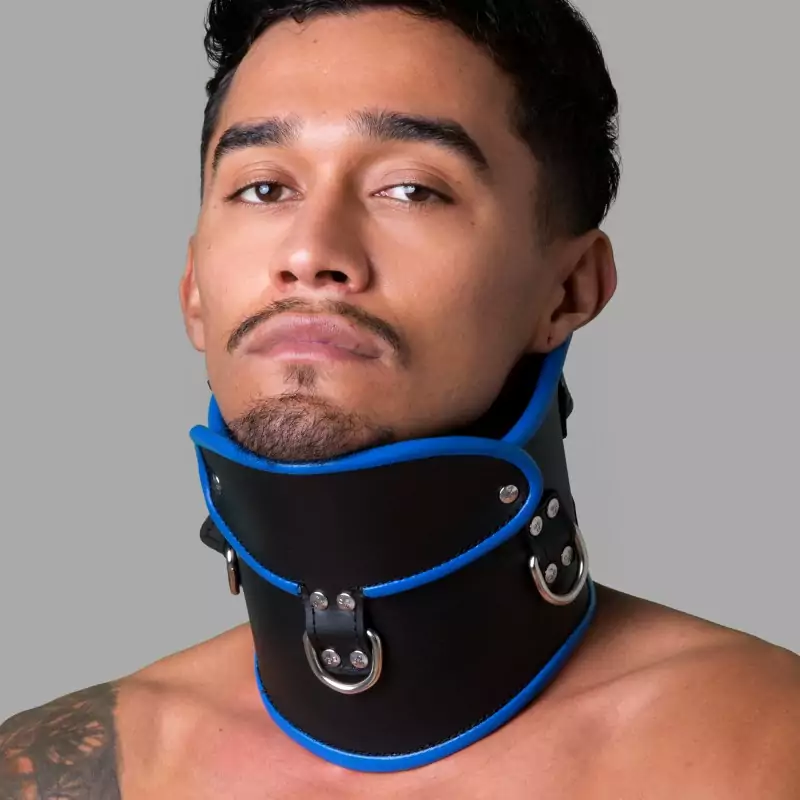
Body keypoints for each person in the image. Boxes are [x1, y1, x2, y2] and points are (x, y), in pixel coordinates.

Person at [2, 0, 799, 797]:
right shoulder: (51, 771)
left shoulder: (769, 751)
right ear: (193, 292)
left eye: (411, 190)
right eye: (263, 187)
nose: (311, 252)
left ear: (568, 289)